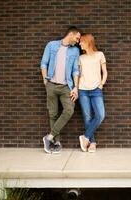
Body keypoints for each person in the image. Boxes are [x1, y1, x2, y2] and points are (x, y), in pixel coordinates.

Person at [40, 26, 81, 154]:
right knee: (53, 114)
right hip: (51, 84)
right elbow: (43, 63)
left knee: (69, 109)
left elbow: (75, 70)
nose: (78, 41)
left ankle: (49, 137)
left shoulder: (75, 51)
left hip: (65, 87)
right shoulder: (51, 45)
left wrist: (75, 87)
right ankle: (55, 142)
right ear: (70, 34)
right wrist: (45, 81)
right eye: (77, 38)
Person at [78, 33, 107, 153]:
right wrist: (76, 88)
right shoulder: (81, 58)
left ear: (88, 42)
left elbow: (104, 72)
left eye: (82, 41)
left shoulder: (99, 55)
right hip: (83, 90)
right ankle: (92, 143)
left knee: (100, 115)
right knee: (87, 117)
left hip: (96, 90)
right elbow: (78, 75)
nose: (80, 44)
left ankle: (85, 137)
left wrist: (101, 84)